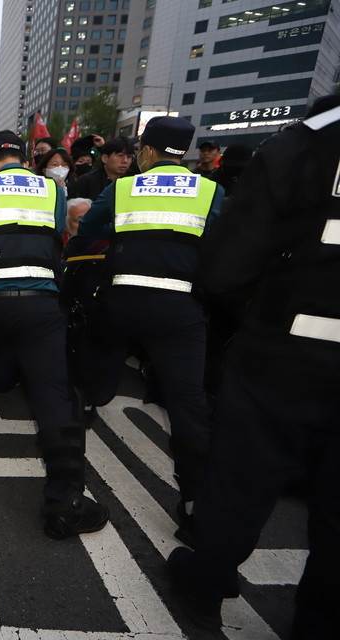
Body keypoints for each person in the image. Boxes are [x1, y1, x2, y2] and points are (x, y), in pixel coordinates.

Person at [167, 95, 340, 639]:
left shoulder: (303, 144)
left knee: (241, 484)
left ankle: (204, 585)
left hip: (282, 355)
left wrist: (256, 314)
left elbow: (223, 271)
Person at [75, 116, 225, 546]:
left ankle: (85, 413)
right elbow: (221, 241)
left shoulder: (124, 188)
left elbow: (90, 228)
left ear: (147, 150)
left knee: (95, 362)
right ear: (185, 152)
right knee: (189, 404)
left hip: (122, 300)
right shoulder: (210, 190)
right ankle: (194, 504)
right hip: (180, 309)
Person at [0, 132, 109, 539]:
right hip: (42, 304)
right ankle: (66, 499)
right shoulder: (53, 189)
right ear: (25, 160)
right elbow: (56, 236)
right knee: (54, 395)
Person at [67, 136, 134, 201]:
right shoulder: (86, 181)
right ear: (105, 158)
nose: (125, 161)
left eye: (129, 156)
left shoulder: (133, 182)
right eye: (120, 156)